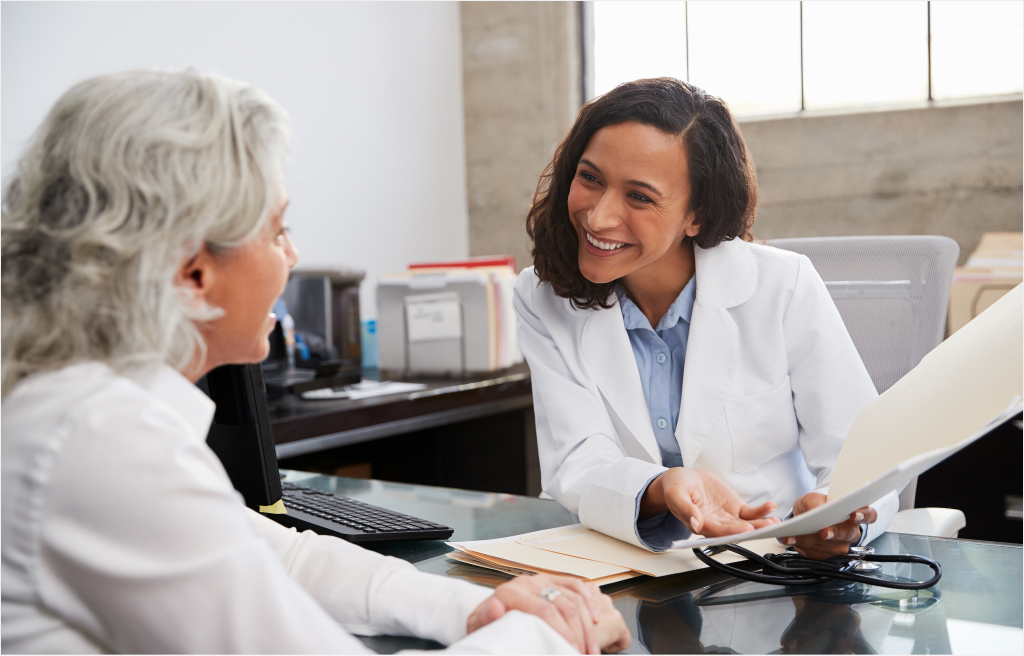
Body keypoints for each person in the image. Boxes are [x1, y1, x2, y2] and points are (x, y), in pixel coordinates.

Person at [0, 69, 631, 654]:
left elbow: (279, 557)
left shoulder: (80, 405)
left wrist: (476, 607)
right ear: (191, 272)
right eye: (277, 231)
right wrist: (549, 637)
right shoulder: (102, 441)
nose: (294, 255)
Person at [514, 77, 898, 560]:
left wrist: (839, 519)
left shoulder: (783, 286)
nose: (598, 217)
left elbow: (864, 454)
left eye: (639, 197)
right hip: (631, 567)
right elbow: (577, 459)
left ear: (696, 214)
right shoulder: (541, 296)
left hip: (773, 561)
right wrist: (662, 487)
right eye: (590, 178)